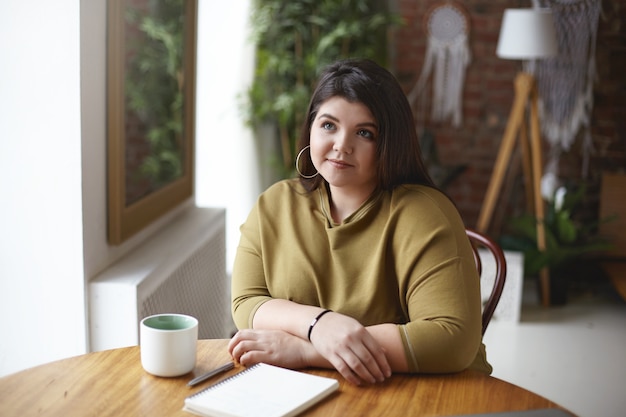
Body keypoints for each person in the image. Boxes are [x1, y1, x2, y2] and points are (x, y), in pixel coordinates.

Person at [228, 58, 492, 386]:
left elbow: (451, 339)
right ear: (310, 127)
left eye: (364, 133)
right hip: (313, 390)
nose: (342, 146)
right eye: (328, 125)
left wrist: (309, 350)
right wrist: (318, 325)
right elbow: (247, 302)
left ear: (388, 143)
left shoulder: (424, 213)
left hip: (428, 393)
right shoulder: (274, 204)